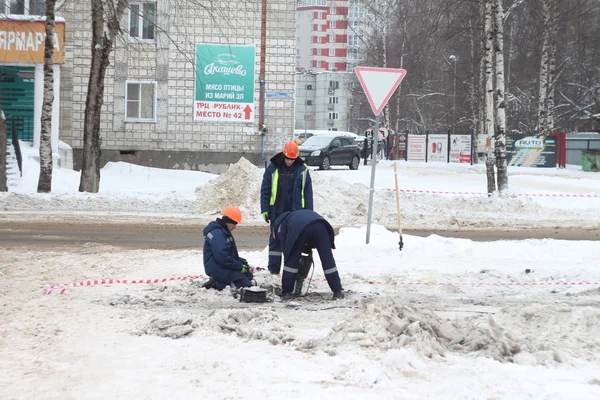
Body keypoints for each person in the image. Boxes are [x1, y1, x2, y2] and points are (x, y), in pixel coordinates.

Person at [260, 141, 313, 274]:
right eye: (288, 159)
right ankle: (273, 270)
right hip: (276, 212)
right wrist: (265, 210)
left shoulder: (303, 170)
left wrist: (309, 214)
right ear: (284, 155)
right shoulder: (273, 169)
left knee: (294, 241)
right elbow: (265, 190)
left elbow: (308, 193)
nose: (289, 162)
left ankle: (291, 270)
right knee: (275, 241)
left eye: (292, 159)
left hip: (296, 213)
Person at [271, 209, 344, 300]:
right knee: (327, 258)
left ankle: (287, 292)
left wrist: (291, 260)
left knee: (291, 261)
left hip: (301, 228)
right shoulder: (292, 217)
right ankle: (337, 291)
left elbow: (288, 251)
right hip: (322, 226)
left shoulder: (279, 228)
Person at [202, 206, 253, 290]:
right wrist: (239, 266)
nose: (235, 226)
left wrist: (241, 262)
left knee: (248, 275)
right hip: (217, 269)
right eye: (235, 223)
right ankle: (217, 283)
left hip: (221, 266)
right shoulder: (218, 234)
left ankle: (219, 281)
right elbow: (222, 257)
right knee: (246, 284)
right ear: (228, 222)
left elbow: (229, 253)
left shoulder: (223, 231)